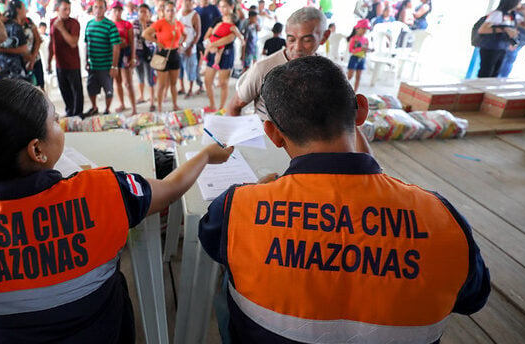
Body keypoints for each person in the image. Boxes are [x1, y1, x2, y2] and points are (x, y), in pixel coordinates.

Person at [0, 78, 233, 343]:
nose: (61, 126)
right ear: (37, 150)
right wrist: (203, 156)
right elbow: (172, 189)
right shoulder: (104, 192)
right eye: (55, 121)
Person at [199, 56, 491, 344]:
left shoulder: (238, 208)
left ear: (273, 134)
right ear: (361, 111)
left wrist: (257, 195)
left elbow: (211, 239)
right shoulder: (441, 218)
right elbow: (473, 299)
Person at [226, 7, 325, 119]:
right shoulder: (263, 68)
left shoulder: (328, 72)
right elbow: (234, 107)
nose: (297, 48)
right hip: (267, 134)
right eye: (291, 40)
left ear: (324, 37)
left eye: (307, 40)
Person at [203, 0, 244, 113]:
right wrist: (211, 45)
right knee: (207, 80)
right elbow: (206, 36)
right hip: (213, 52)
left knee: (223, 83)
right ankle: (212, 105)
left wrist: (213, 43)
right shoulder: (217, 19)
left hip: (226, 54)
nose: (222, 9)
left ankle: (221, 108)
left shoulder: (236, 21)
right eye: (220, 6)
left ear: (231, 7)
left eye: (224, 6)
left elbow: (230, 38)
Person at [143, 0, 184, 112]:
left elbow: (184, 35)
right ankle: (160, 108)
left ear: (176, 11)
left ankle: (175, 105)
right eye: (168, 10)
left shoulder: (178, 24)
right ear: (164, 12)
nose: (170, 12)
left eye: (172, 10)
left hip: (175, 53)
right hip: (162, 54)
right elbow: (145, 34)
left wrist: (181, 44)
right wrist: (157, 41)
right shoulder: (160, 23)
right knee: (161, 84)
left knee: (174, 84)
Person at [477, 0, 525, 78]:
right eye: (519, 0)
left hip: (503, 47)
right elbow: (482, 30)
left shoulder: (513, 16)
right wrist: (504, 29)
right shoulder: (497, 14)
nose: (521, 3)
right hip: (490, 47)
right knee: (486, 72)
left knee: (495, 74)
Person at [84, 0, 121, 116]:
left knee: (108, 90)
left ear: (105, 9)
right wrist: (86, 60)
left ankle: (107, 109)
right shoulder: (89, 25)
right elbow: (87, 44)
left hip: (106, 65)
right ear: (92, 8)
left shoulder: (110, 26)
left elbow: (116, 47)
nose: (98, 10)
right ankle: (94, 107)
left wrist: (114, 66)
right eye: (96, 7)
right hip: (93, 65)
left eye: (101, 7)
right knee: (91, 89)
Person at [47, 0, 83, 118]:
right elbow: (51, 43)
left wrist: (61, 28)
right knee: (64, 90)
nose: (67, 12)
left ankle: (78, 114)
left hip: (73, 63)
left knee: (76, 91)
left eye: (69, 9)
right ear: (58, 9)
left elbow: (73, 43)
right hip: (59, 63)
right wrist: (48, 61)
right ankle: (69, 111)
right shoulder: (52, 22)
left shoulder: (74, 23)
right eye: (64, 9)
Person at [0, 0, 31, 82]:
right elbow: (24, 49)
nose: (26, 10)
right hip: (7, 70)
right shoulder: (13, 26)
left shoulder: (11, 26)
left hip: (9, 70)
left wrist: (0, 49)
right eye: (24, 7)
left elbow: (24, 49)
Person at [109, 2, 136, 114]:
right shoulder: (109, 24)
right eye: (115, 10)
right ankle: (122, 104)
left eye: (119, 10)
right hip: (113, 54)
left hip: (125, 54)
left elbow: (132, 42)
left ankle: (134, 107)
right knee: (117, 81)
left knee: (128, 82)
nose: (117, 13)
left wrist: (133, 57)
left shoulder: (127, 24)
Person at [133, 4, 156, 110]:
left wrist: (145, 27)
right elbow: (133, 39)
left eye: (145, 12)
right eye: (141, 11)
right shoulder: (134, 24)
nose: (143, 14)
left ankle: (152, 100)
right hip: (138, 53)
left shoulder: (152, 24)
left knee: (150, 77)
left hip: (149, 53)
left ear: (149, 13)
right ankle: (141, 96)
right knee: (140, 76)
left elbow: (150, 39)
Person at [178, 0, 200, 98]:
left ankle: (190, 89)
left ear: (193, 2)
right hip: (179, 47)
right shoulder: (179, 13)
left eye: (189, 0)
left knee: (191, 69)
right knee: (180, 69)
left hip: (190, 48)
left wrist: (191, 47)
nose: (187, 2)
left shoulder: (195, 15)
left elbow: (198, 33)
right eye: (185, 0)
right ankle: (182, 87)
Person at [347, 19, 370, 92]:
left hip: (362, 58)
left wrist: (367, 50)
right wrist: (360, 49)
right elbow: (351, 50)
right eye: (363, 28)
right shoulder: (353, 39)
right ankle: (344, 89)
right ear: (357, 28)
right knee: (349, 76)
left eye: (366, 29)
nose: (365, 30)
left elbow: (366, 49)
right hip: (354, 58)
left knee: (358, 76)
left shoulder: (366, 39)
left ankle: (355, 92)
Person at [240, 8, 260, 72]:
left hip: (254, 47)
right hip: (248, 49)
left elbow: (259, 30)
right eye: (255, 18)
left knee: (255, 64)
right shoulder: (247, 27)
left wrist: (257, 25)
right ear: (250, 18)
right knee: (246, 67)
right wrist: (242, 54)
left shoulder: (254, 26)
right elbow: (244, 41)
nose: (256, 20)